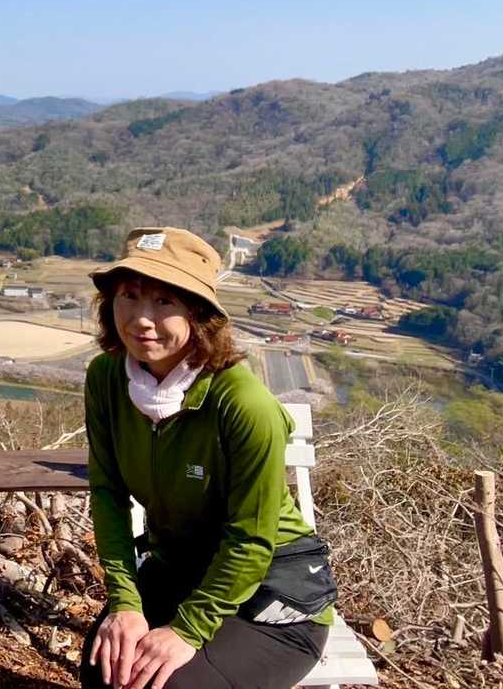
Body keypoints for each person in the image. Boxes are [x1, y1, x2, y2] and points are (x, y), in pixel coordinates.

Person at [82, 227, 336, 689]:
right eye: (129, 296)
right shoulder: (106, 378)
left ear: (198, 314)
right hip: (178, 570)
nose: (141, 319)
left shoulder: (243, 405)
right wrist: (125, 603)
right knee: (105, 668)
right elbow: (107, 492)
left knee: (170, 684)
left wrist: (187, 630)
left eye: (164, 301)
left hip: (272, 592)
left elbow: (251, 540)